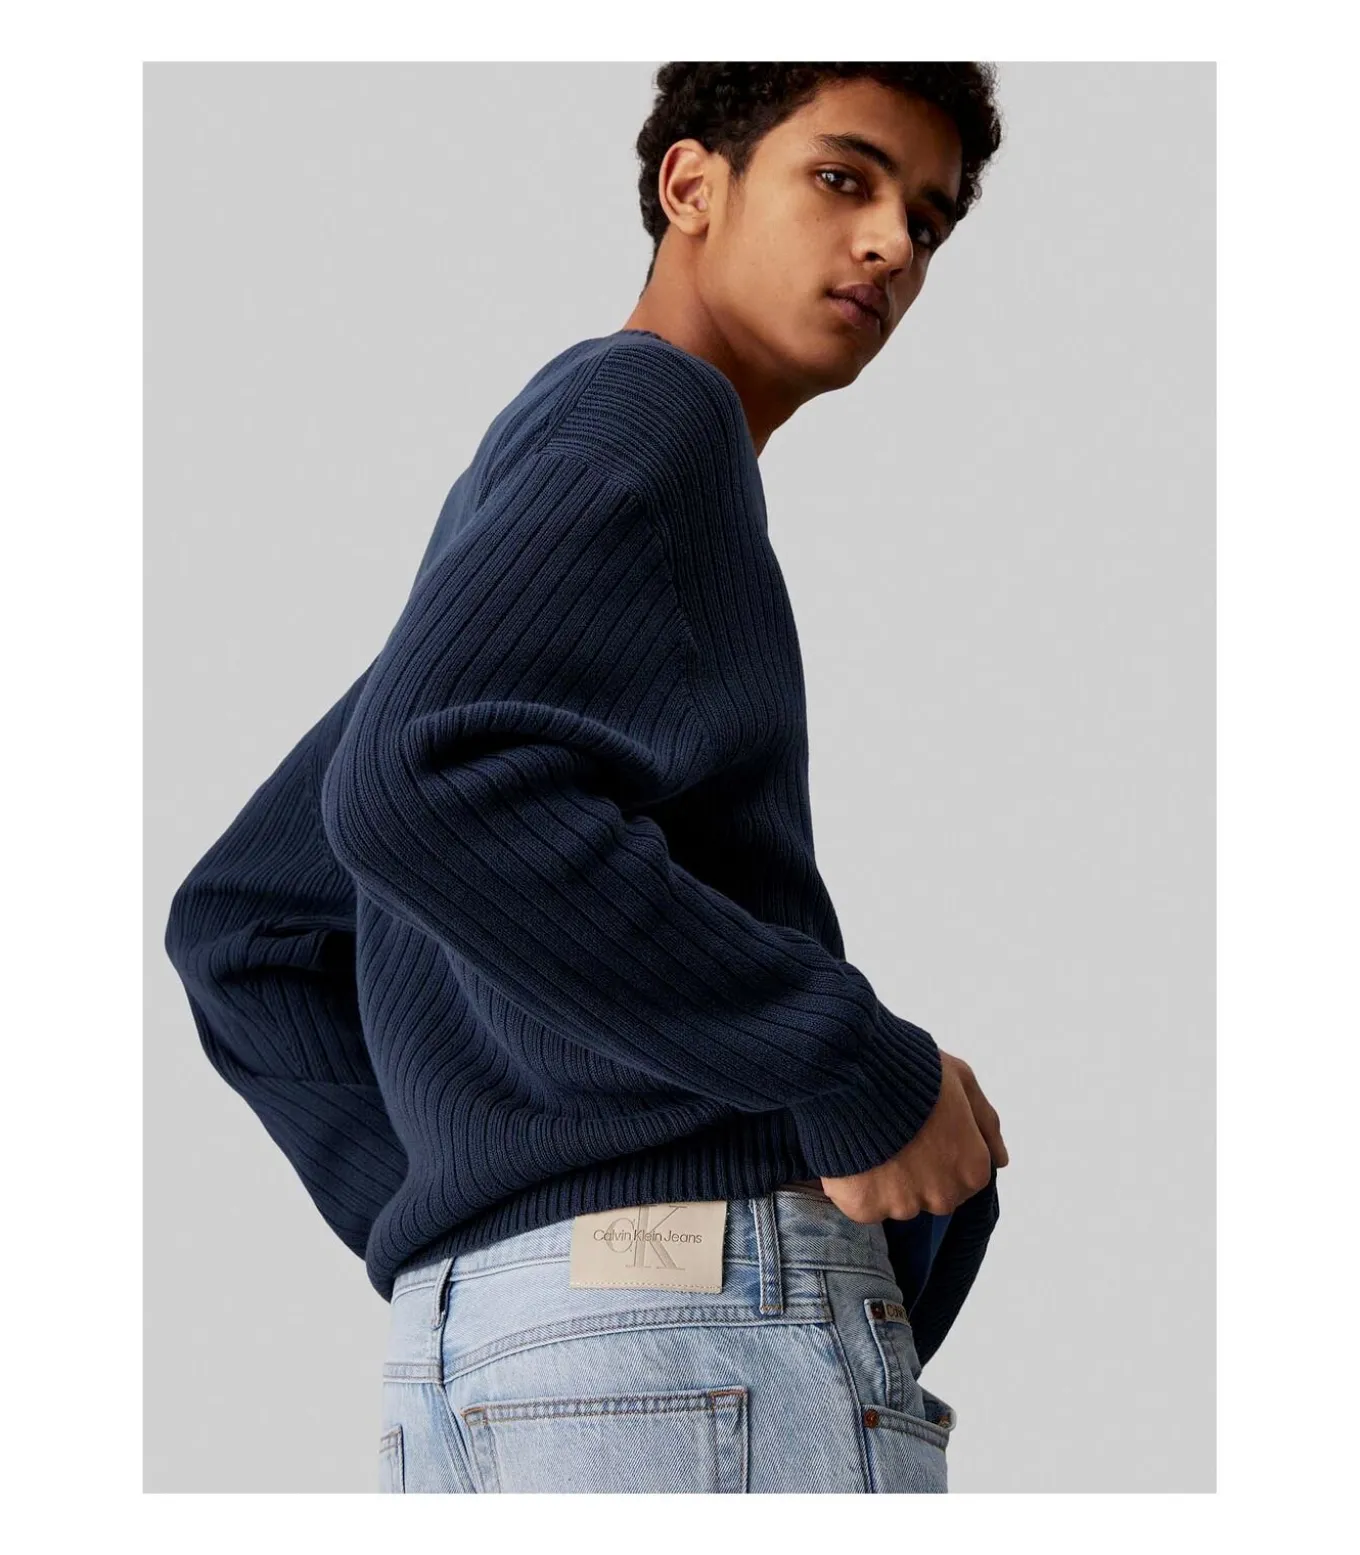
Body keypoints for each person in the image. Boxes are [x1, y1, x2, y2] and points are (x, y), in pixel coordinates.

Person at [165, 62, 1009, 1493]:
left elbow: (249, 921)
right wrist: (852, 1063)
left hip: (500, 1352)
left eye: (926, 222)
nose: (890, 245)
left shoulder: (569, 472)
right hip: (680, 1334)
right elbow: (422, 787)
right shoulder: (653, 415)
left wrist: (491, 1229)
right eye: (843, 178)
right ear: (693, 185)